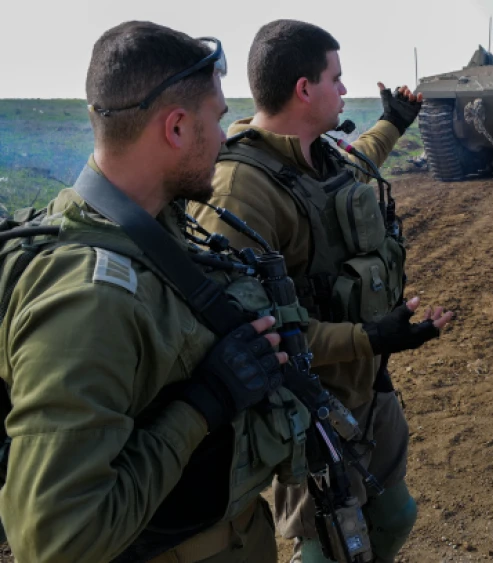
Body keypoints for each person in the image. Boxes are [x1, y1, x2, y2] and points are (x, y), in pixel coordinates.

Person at [0, 21, 312, 562]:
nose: (224, 136)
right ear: (175, 129)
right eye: (215, 120)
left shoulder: (145, 227)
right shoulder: (91, 302)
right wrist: (205, 404)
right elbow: (56, 541)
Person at [189, 19, 453, 563]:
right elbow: (241, 327)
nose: (343, 87)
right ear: (303, 89)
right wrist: (369, 334)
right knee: (326, 543)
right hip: (305, 403)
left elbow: (355, 164)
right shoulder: (240, 188)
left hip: (366, 384)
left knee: (395, 514)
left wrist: (393, 123)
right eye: (336, 77)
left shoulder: (316, 153)